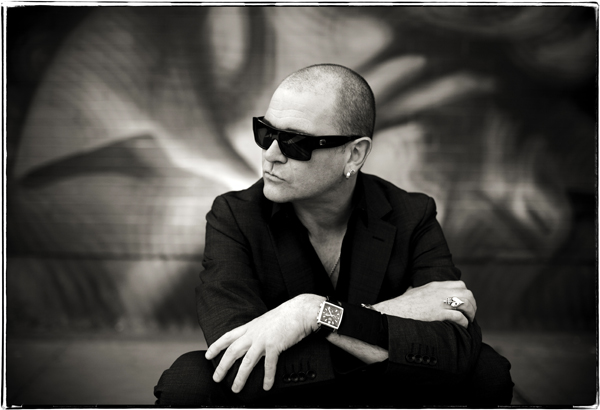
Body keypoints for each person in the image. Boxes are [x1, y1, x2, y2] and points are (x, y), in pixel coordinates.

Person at [154, 63, 513, 406]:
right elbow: (239, 362)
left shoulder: (411, 214)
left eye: (295, 142)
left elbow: (455, 344)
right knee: (188, 381)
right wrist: (386, 320)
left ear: (354, 154)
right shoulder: (235, 216)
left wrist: (313, 313)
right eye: (265, 133)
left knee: (487, 371)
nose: (271, 154)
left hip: (382, 395)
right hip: (297, 399)